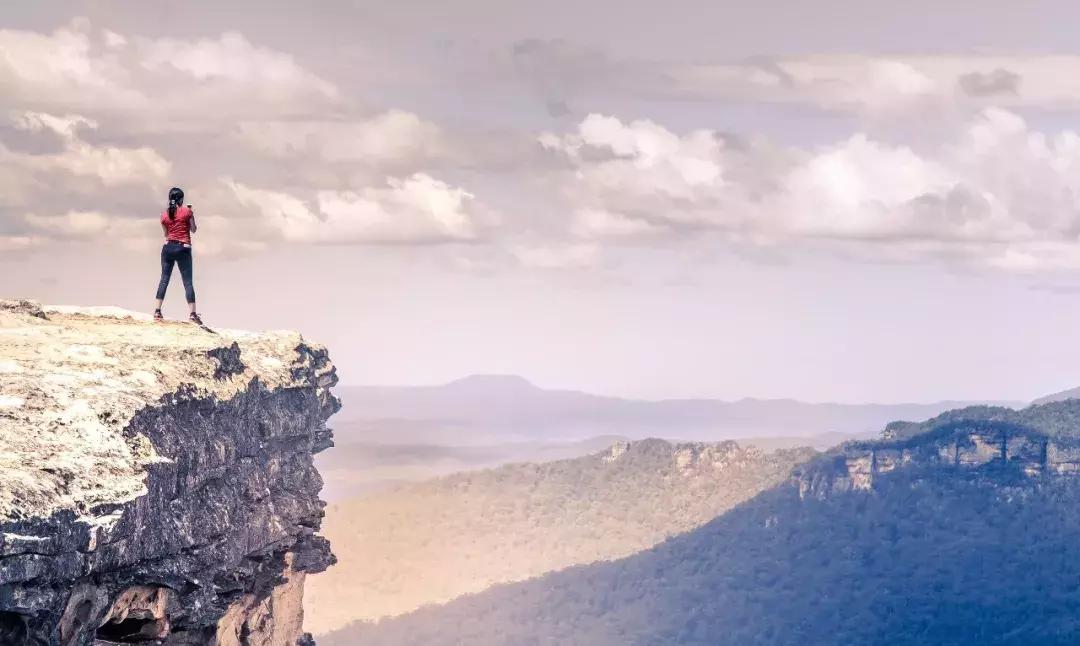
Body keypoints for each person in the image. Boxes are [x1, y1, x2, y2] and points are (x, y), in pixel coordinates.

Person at [153, 187, 203, 325]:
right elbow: (193, 229)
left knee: (164, 280)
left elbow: (166, 234)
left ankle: (157, 311)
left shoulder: (164, 215)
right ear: (181, 199)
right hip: (183, 248)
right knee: (187, 283)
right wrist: (191, 213)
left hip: (168, 247)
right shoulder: (187, 211)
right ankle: (192, 314)